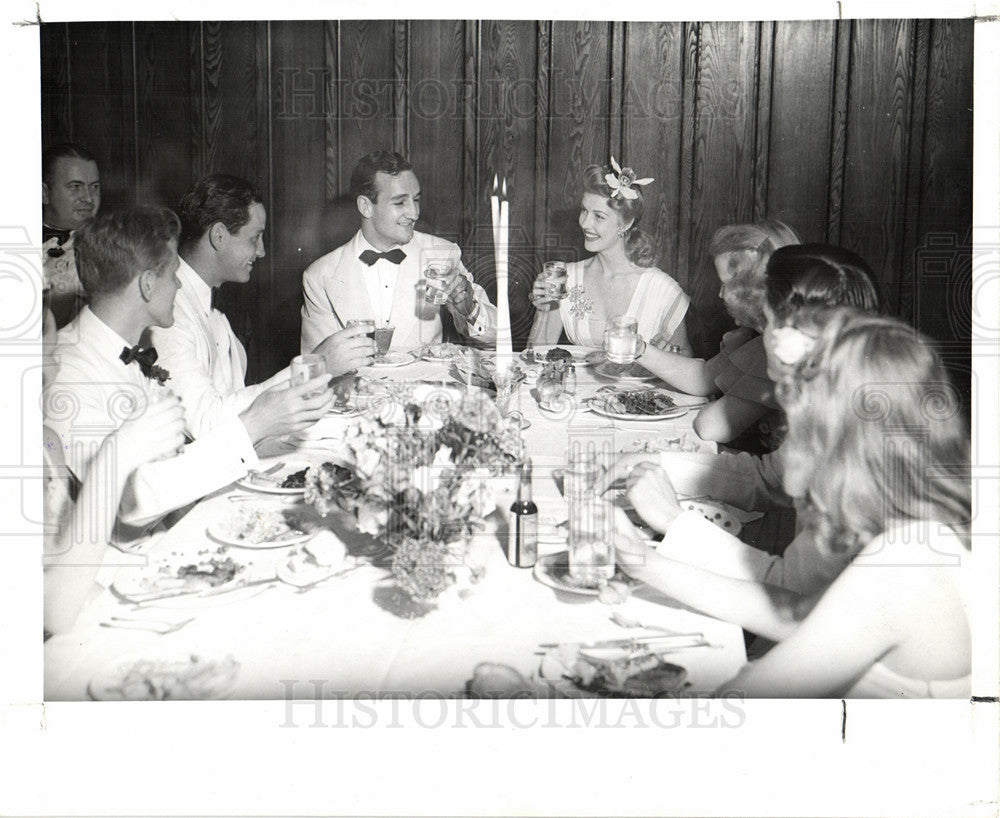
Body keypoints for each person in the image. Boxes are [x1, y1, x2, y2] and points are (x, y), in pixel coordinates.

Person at [613, 309, 971, 697]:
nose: (793, 469)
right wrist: (646, 564)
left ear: (859, 449)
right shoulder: (922, 526)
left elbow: (746, 698)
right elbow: (797, 614)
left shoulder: (906, 562)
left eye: (805, 440)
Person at [44, 206, 333, 546]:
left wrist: (271, 428)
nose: (180, 285)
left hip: (175, 532)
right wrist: (254, 424)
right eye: (174, 275)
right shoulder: (65, 373)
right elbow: (131, 500)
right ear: (148, 285)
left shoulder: (131, 349)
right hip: (119, 565)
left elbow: (182, 451)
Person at [601, 244, 881, 595]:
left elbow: (792, 595)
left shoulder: (853, 440)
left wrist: (675, 523)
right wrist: (658, 462)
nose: (768, 340)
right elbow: (769, 477)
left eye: (769, 322)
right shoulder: (824, 404)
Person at [150, 174, 373, 439]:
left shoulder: (211, 312)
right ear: (219, 236)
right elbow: (205, 422)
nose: (262, 251)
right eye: (254, 238)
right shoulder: (170, 312)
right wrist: (313, 368)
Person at [300, 150, 498, 353]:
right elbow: (314, 369)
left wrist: (469, 310)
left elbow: (498, 338)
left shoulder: (442, 254)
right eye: (400, 202)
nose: (414, 213)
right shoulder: (319, 277)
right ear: (365, 206)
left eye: (416, 200)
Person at [633, 220, 801, 447]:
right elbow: (703, 378)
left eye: (726, 284)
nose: (721, 294)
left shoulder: (781, 347)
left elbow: (711, 427)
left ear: (753, 289)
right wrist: (639, 350)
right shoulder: (755, 338)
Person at [527, 161, 692, 355]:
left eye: (599, 216)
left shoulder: (662, 290)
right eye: (584, 210)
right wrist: (545, 308)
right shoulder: (565, 277)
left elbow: (687, 365)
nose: (584, 223)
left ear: (627, 222)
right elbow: (535, 357)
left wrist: (667, 355)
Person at [42, 143, 101, 327]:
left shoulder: (110, 247)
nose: (89, 198)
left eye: (94, 187)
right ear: (44, 193)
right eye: (75, 187)